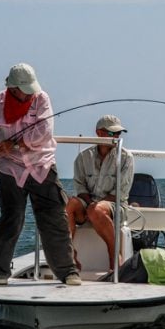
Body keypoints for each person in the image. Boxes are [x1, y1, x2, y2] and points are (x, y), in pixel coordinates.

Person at [0, 63, 81, 286]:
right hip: (10, 169)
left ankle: (67, 271)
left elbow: (45, 133)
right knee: (11, 218)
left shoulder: (41, 98)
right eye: (26, 89)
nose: (31, 93)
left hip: (41, 165)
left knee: (54, 217)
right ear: (13, 88)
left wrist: (14, 143)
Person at [66, 114, 134, 270]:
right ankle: (70, 256)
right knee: (70, 204)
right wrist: (90, 205)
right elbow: (80, 187)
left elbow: (120, 193)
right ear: (99, 133)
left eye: (118, 134)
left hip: (116, 205)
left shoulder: (126, 158)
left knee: (96, 210)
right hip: (89, 203)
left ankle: (114, 255)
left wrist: (94, 207)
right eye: (112, 133)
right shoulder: (83, 157)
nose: (116, 137)